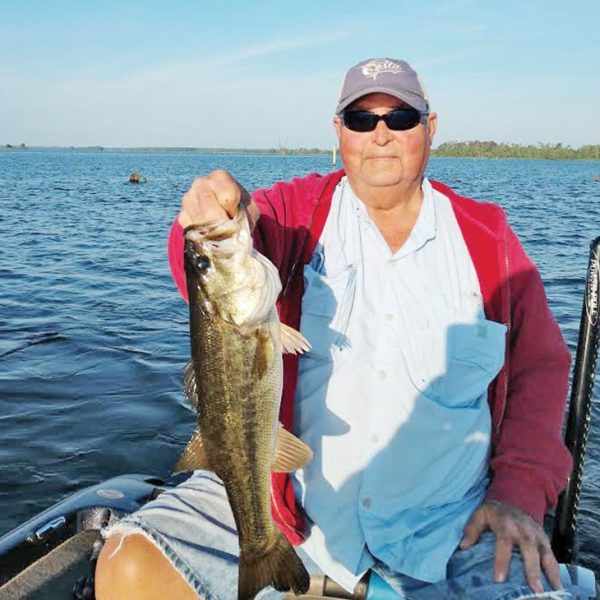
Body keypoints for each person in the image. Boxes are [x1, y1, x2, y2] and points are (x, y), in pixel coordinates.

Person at [95, 58, 574, 599]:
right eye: (361, 120)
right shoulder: (297, 214)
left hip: (449, 532)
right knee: (128, 561)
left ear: (431, 127)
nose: (381, 135)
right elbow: (205, 269)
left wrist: (518, 493)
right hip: (290, 511)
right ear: (339, 132)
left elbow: (540, 375)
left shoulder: (489, 241)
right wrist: (214, 216)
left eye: (401, 117)